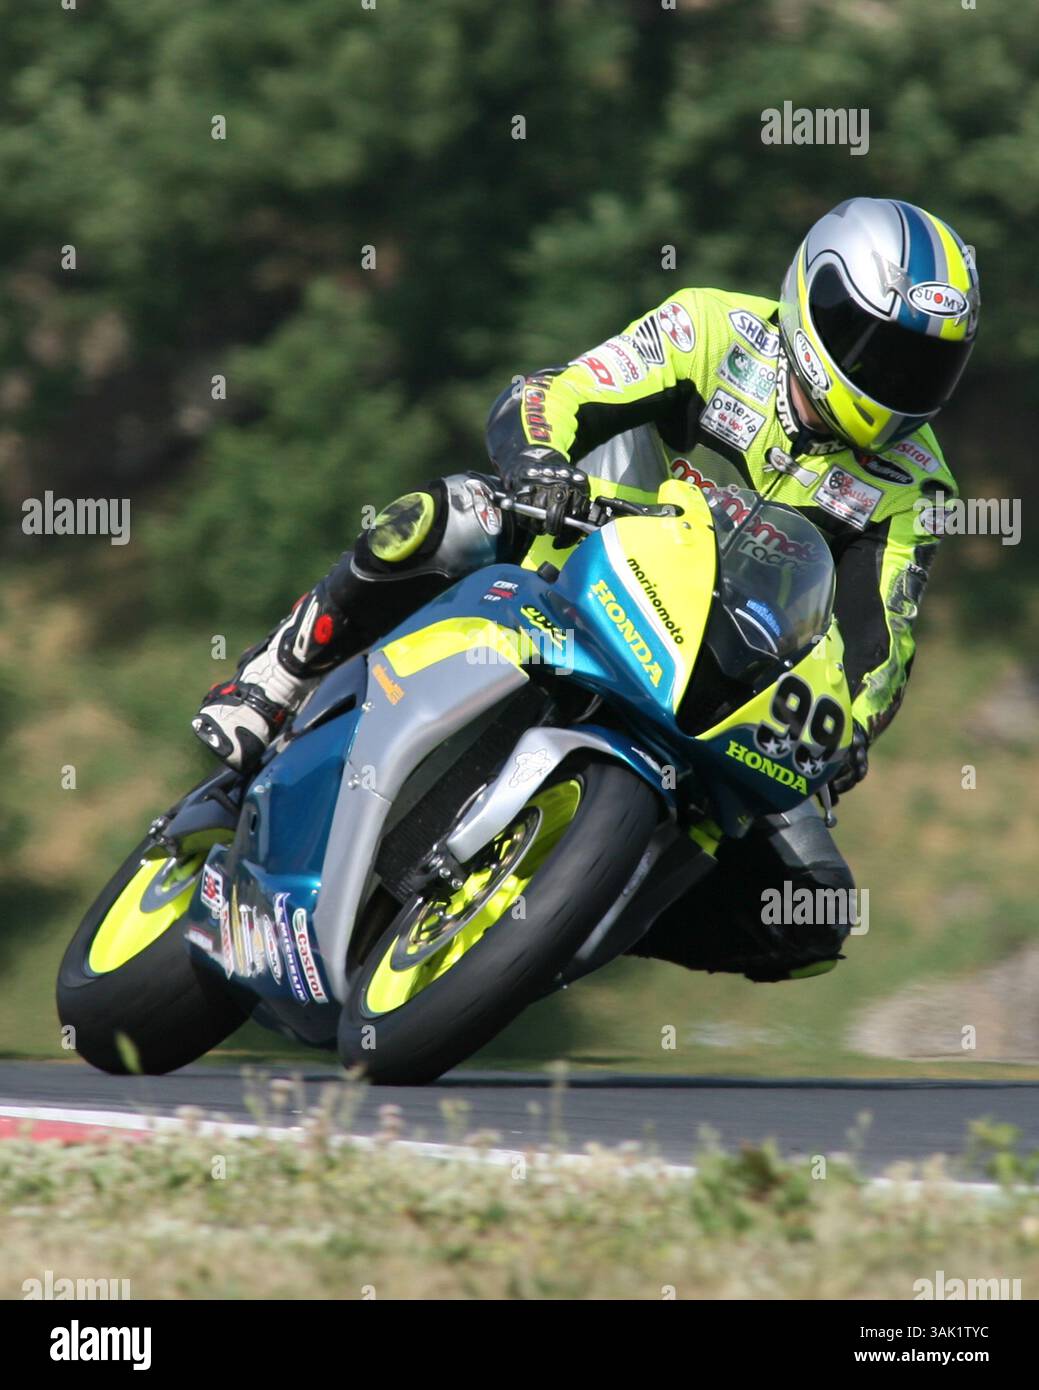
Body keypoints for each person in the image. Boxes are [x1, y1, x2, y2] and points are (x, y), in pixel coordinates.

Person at [193, 197, 979, 981]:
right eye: (872, 346)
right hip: (571, 556)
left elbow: (879, 650)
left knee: (812, 910)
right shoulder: (711, 329)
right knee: (446, 515)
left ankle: (577, 906)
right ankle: (276, 678)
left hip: (717, 683)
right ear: (811, 298)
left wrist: (841, 733)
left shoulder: (914, 484)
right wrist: (539, 460)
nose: (892, 378)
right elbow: (559, 392)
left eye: (921, 365)